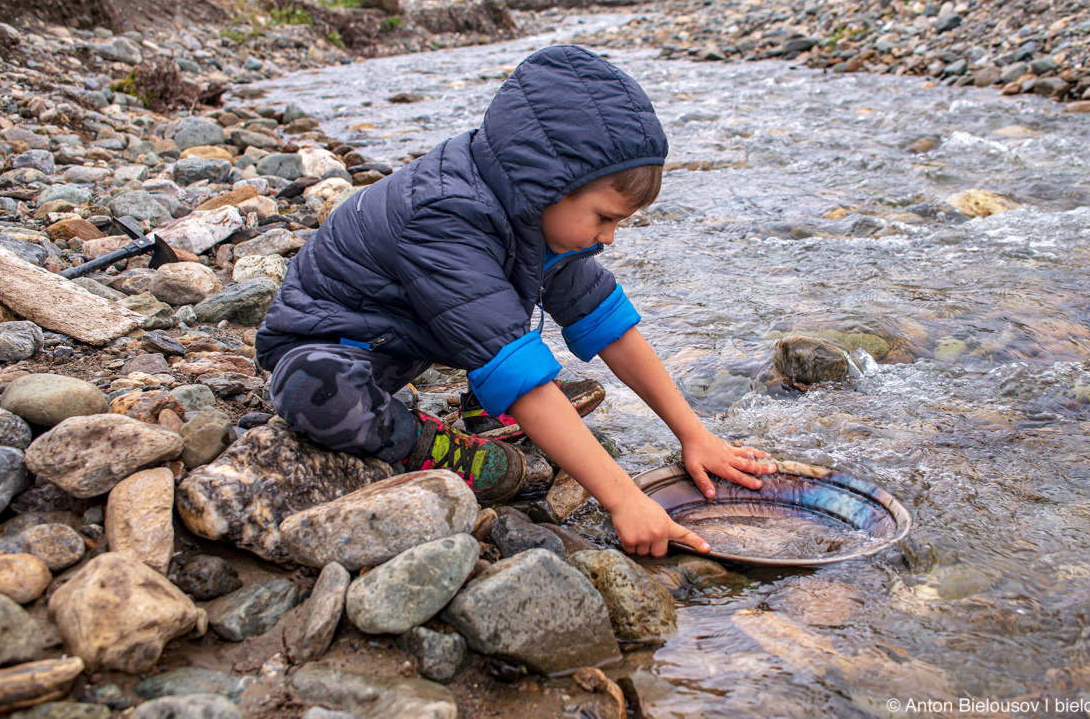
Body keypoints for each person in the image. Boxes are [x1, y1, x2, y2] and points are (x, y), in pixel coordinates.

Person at [255, 45, 775, 557]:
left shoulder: (531, 212)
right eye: (605, 217)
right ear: (552, 183)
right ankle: (425, 443)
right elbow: (507, 355)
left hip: (408, 333)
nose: (609, 238)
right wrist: (624, 499)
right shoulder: (445, 214)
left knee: (503, 325)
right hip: (331, 344)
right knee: (315, 393)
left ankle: (492, 406)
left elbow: (606, 321)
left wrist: (694, 434)